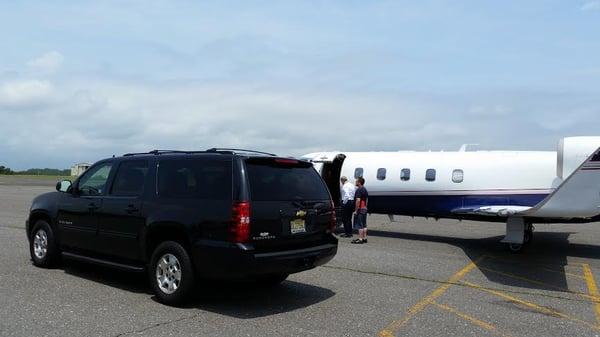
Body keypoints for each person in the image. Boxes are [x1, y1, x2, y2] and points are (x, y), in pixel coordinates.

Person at [351, 177, 368, 244]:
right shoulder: (364, 189)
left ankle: (360, 239)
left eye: (356, 181)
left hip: (360, 209)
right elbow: (366, 199)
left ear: (359, 182)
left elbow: (358, 200)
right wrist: (365, 207)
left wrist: (356, 210)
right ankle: (364, 238)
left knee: (359, 225)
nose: (355, 182)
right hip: (364, 208)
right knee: (364, 224)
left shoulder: (359, 190)